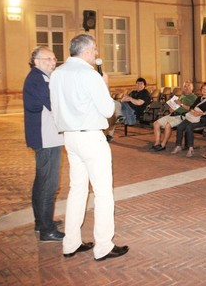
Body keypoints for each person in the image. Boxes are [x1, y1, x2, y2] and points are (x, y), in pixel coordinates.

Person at [50, 34, 128, 261]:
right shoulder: (89, 74)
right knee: (103, 193)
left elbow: (55, 108)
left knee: (77, 191)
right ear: (85, 51)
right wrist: (105, 86)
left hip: (70, 138)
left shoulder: (57, 73)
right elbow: (107, 110)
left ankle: (70, 243)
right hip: (91, 138)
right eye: (94, 49)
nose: (96, 54)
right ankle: (103, 246)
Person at [23, 46, 65, 242]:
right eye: (48, 59)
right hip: (46, 139)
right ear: (36, 61)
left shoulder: (42, 77)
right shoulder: (38, 79)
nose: (53, 62)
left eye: (54, 58)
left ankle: (41, 221)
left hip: (48, 137)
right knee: (49, 183)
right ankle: (47, 230)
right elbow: (54, 104)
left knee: (41, 181)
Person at [171, 83, 206, 157]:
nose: (204, 90)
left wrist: (202, 113)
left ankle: (190, 149)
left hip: (203, 119)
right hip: (193, 116)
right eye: (203, 88)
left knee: (189, 127)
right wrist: (194, 112)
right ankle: (178, 146)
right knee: (180, 127)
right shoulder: (199, 98)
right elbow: (191, 107)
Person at [151, 80, 197, 151]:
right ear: (183, 88)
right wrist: (172, 108)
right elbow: (176, 106)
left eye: (189, 86)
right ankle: (157, 143)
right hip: (173, 114)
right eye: (185, 86)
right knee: (156, 124)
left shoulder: (194, 97)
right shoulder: (182, 96)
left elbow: (191, 109)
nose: (187, 88)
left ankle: (163, 144)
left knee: (167, 125)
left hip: (182, 116)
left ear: (192, 88)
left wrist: (180, 104)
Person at [104, 77, 152, 142]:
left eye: (141, 84)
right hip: (125, 107)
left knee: (114, 107)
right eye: (137, 83)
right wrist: (125, 98)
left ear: (144, 85)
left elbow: (139, 103)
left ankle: (118, 118)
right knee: (113, 110)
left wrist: (130, 98)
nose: (139, 85)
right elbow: (122, 100)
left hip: (133, 111)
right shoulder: (133, 92)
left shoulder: (145, 93)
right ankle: (110, 134)